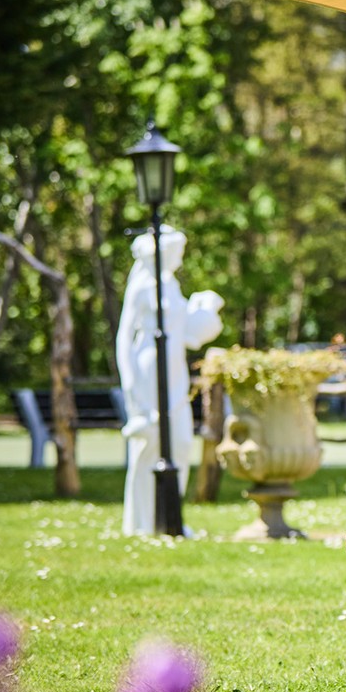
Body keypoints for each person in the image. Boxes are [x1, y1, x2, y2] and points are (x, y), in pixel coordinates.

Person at [116, 226, 224, 536]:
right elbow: (124, 338)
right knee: (149, 444)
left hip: (174, 366)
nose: (180, 257)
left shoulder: (171, 285)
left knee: (180, 442)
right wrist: (131, 390)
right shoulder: (143, 287)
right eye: (177, 251)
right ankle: (141, 522)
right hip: (150, 368)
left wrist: (204, 310)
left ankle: (170, 516)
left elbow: (188, 333)